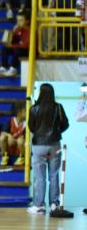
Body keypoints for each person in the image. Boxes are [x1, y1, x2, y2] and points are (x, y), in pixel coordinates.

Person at [27, 83, 69, 215]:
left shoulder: (34, 108)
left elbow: (31, 127)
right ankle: (54, 204)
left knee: (39, 177)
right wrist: (56, 133)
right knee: (54, 175)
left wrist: (40, 134)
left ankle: (39, 206)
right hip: (54, 145)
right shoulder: (58, 107)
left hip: (39, 145)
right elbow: (66, 124)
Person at [0, 101, 26, 166]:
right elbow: (3, 132)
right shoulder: (10, 121)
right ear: (19, 112)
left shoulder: (27, 123)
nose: (27, 112)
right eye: (25, 110)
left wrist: (17, 140)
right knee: (2, 137)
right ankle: (4, 156)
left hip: (21, 146)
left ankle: (22, 157)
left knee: (20, 140)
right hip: (11, 145)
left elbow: (23, 137)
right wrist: (9, 136)